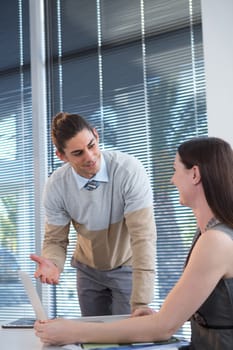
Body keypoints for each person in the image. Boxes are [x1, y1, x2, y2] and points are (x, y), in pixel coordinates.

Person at [34, 136, 233, 349]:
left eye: (175, 170)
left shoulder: (216, 242)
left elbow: (163, 328)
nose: (172, 180)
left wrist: (73, 331)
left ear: (194, 174)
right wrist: (156, 317)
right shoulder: (208, 234)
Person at [30, 112, 156, 316]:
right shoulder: (56, 186)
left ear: (96, 135)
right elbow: (55, 239)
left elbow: (143, 237)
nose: (90, 157)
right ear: (61, 156)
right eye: (78, 153)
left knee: (127, 336)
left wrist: (142, 301)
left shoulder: (128, 171)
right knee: (94, 338)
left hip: (125, 264)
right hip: (87, 270)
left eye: (91, 145)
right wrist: (53, 263)